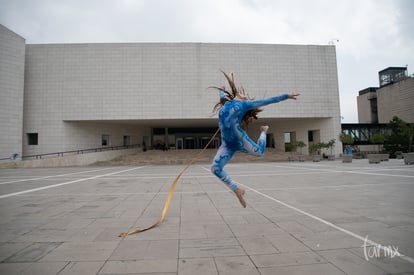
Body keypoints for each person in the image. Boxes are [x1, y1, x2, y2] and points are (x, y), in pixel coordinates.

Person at [211, 72, 300, 207]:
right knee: (215, 168)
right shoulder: (226, 103)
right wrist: (222, 90)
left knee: (260, 152)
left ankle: (263, 131)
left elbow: (269, 100)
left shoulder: (246, 105)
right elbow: (222, 96)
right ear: (238, 94)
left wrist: (286, 96)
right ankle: (237, 189)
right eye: (243, 94)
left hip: (240, 140)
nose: (245, 95)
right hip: (227, 145)